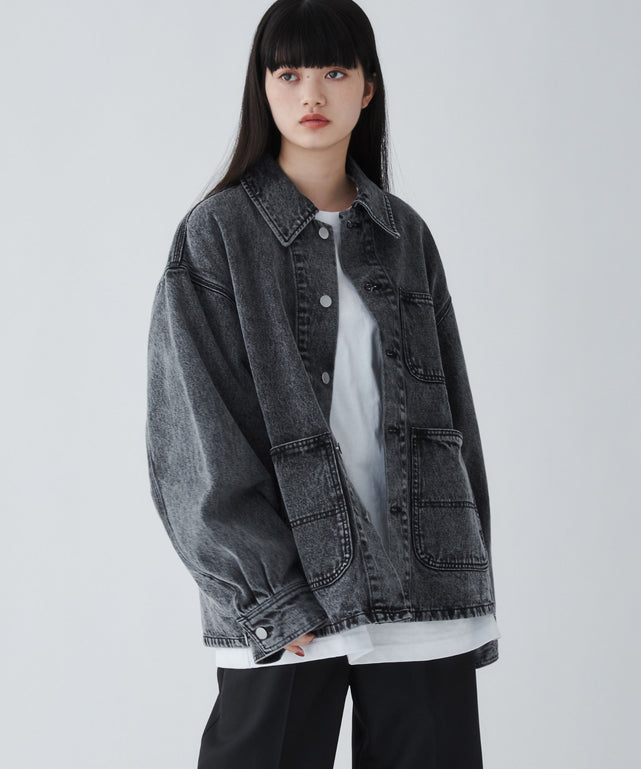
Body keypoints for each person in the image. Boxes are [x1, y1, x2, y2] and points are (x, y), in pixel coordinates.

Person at [145, 0, 501, 766]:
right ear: (263, 87)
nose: (311, 93)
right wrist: (266, 592)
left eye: (335, 72)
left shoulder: (405, 235)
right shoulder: (216, 235)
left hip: (422, 577)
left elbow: (454, 420)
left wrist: (468, 567)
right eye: (289, 73)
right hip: (293, 587)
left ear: (367, 88)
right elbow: (194, 438)